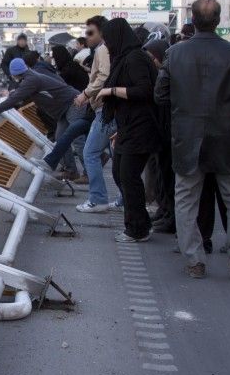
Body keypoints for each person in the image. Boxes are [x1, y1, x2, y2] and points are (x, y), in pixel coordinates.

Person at [154, 0, 230, 278]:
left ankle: (194, 261)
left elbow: (160, 95)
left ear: (193, 20)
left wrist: (185, 109)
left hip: (187, 139)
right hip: (227, 137)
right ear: (219, 20)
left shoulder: (175, 54)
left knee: (186, 201)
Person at [95, 17, 160, 244]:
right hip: (129, 126)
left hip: (141, 126)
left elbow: (144, 90)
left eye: (108, 40)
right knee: (120, 173)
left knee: (128, 176)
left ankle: (137, 229)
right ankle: (140, 222)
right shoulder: (124, 59)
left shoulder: (135, 59)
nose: (106, 45)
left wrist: (111, 91)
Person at [0, 58, 90, 179]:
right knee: (61, 138)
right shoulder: (30, 77)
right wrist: (10, 95)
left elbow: (17, 97)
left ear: (14, 73)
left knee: (77, 140)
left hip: (73, 104)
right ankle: (71, 171)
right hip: (65, 107)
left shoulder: (31, 79)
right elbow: (21, 92)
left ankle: (89, 173)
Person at [75, 15, 121, 210]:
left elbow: (103, 76)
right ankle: (124, 200)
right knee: (117, 158)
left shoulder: (103, 49)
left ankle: (98, 199)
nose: (87, 36)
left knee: (90, 153)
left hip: (105, 109)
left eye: (90, 32)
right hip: (115, 108)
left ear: (102, 32)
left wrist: (86, 94)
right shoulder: (113, 48)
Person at [142, 38, 175, 234]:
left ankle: (170, 216)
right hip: (160, 132)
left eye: (152, 57)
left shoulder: (167, 75)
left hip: (168, 133)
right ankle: (164, 210)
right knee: (161, 176)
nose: (151, 61)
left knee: (168, 176)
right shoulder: (158, 74)